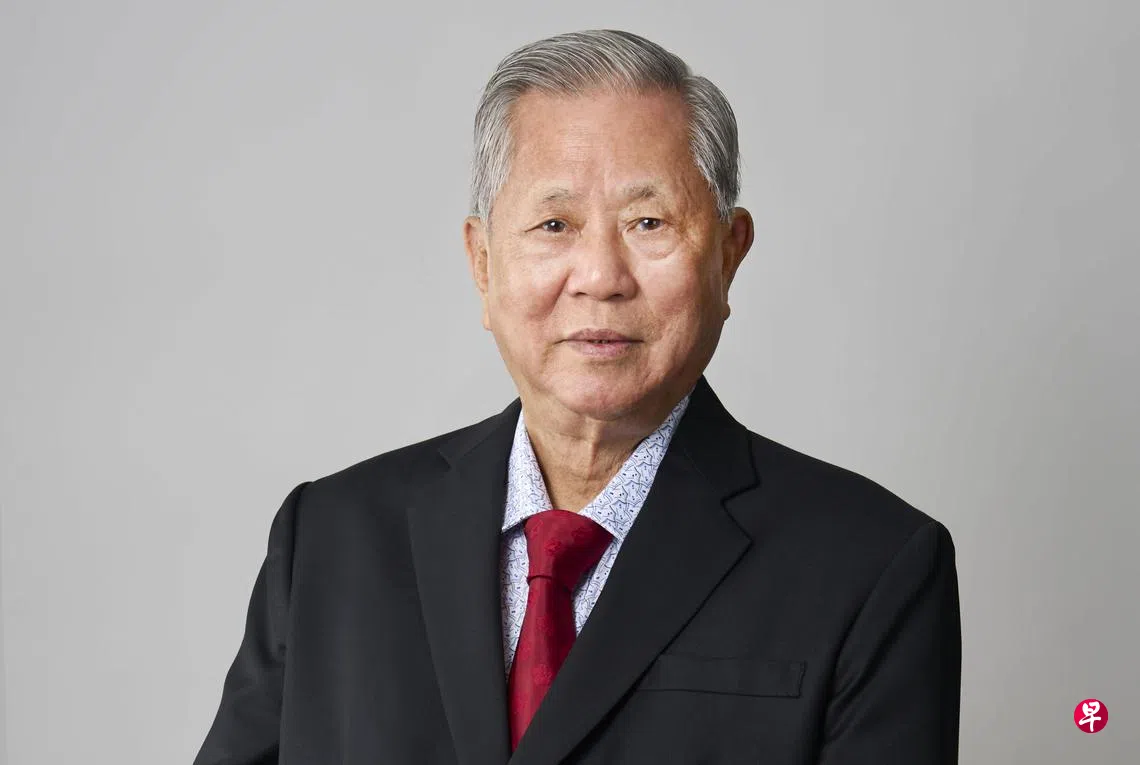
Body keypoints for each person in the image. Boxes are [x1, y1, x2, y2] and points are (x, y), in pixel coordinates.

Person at [193, 29, 961, 765]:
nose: (600, 275)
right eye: (554, 223)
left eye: (649, 222)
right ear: (482, 262)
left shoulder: (872, 566)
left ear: (729, 256)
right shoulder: (331, 539)